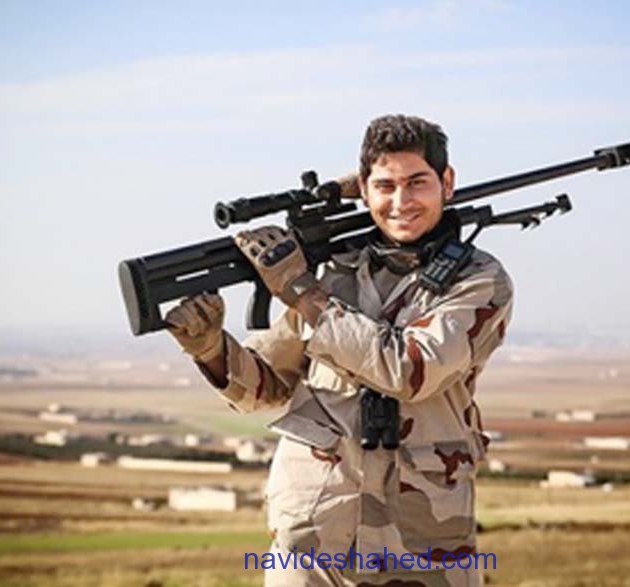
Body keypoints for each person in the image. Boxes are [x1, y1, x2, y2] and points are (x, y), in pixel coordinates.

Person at [166, 114, 513, 587]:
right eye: (385, 186)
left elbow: (409, 370)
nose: (401, 202)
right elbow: (266, 387)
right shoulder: (333, 273)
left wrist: (300, 290)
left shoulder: (479, 281)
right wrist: (209, 348)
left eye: (417, 183)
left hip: (421, 544)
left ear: (446, 183)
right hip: (312, 541)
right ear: (364, 190)